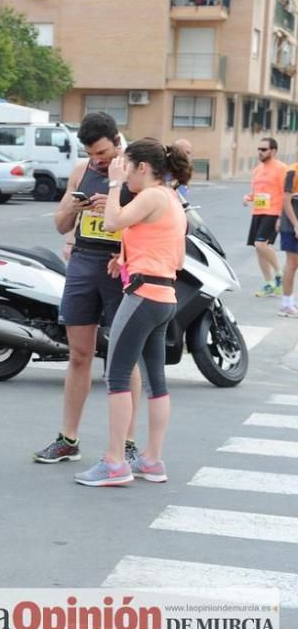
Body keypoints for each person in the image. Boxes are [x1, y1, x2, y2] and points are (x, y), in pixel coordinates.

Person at [75, 139, 188, 486]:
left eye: (126, 168)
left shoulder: (151, 195)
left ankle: (115, 463)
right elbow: (176, 257)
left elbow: (112, 222)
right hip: (164, 296)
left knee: (118, 377)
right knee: (157, 382)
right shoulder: (171, 198)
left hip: (142, 295)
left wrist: (111, 184)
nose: (123, 176)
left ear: (142, 167)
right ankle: (152, 460)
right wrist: (125, 258)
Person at [35, 112, 141, 465]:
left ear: (116, 140)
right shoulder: (83, 170)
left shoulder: (135, 168)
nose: (99, 160)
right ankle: (68, 439)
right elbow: (60, 223)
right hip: (83, 263)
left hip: (118, 267)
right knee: (79, 355)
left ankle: (127, 442)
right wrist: (74, 205)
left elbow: (149, 223)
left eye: (103, 152)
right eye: (93, 154)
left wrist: (115, 207)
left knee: (123, 358)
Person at [244, 137, 286, 297]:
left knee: (260, 244)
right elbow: (257, 193)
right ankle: (270, 284)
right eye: (258, 149)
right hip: (258, 212)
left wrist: (282, 217)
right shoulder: (257, 170)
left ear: (273, 151)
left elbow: (285, 193)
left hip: (273, 212)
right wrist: (248, 197)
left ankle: (278, 274)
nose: (260, 152)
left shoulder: (281, 168)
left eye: (264, 149)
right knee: (258, 249)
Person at [279, 162, 298, 317]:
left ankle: (290, 301)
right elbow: (286, 200)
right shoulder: (292, 171)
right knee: (292, 263)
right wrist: (296, 224)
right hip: (291, 225)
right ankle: (286, 305)